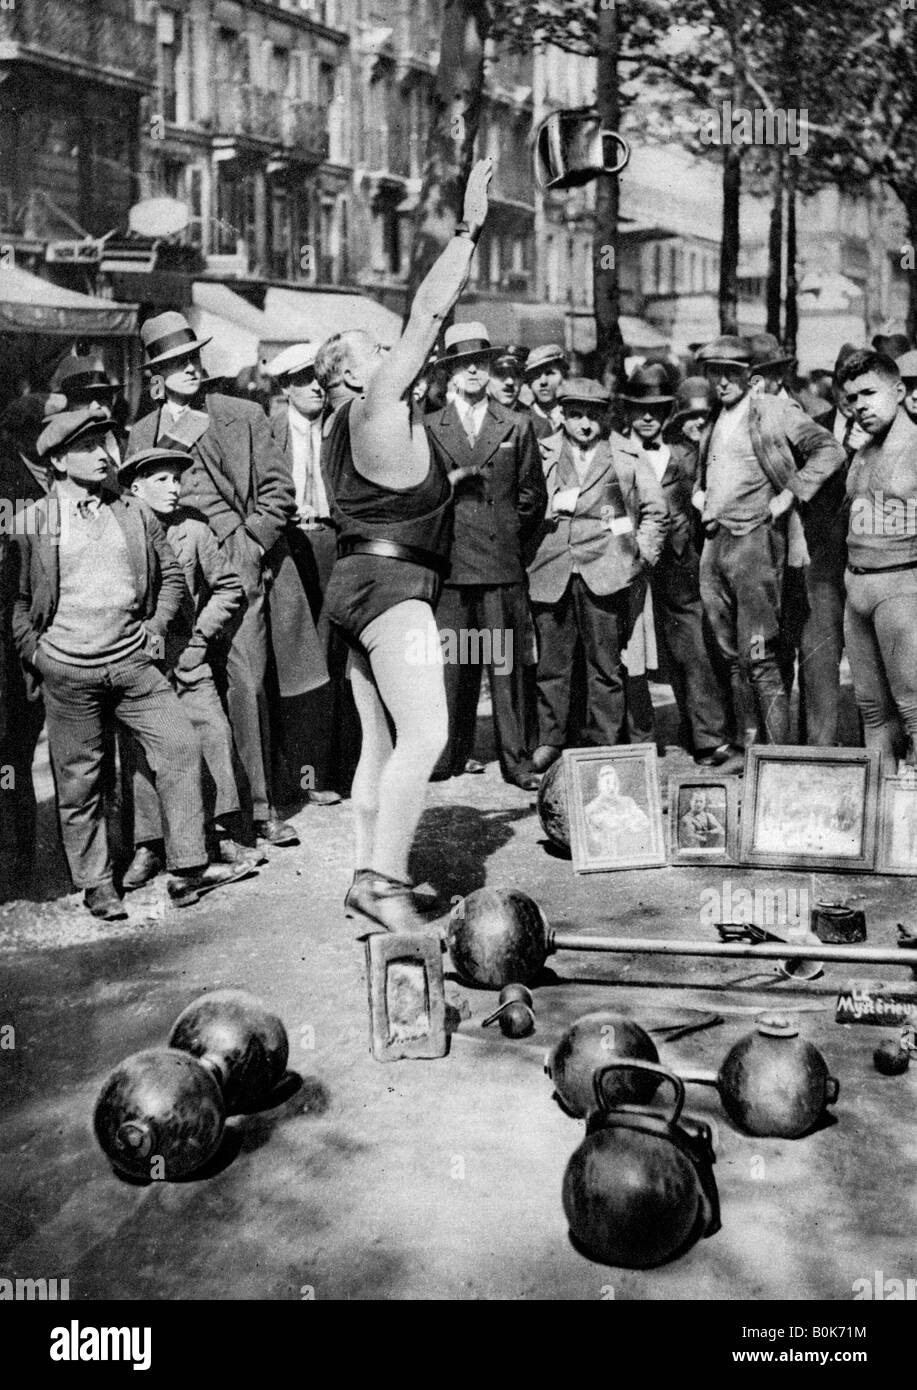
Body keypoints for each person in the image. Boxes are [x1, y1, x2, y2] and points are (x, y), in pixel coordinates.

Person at [312, 158, 495, 933]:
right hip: (392, 595)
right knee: (428, 733)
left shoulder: (338, 430)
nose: (392, 354)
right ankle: (385, 879)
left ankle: (366, 872)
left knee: (379, 743)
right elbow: (426, 315)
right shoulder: (374, 402)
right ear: (348, 373)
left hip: (355, 588)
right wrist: (468, 226)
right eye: (374, 349)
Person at [9, 408, 242, 918]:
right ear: (57, 459)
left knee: (181, 742)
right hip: (70, 671)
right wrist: (40, 656)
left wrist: (155, 630)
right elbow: (19, 605)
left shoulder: (131, 511)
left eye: (105, 444)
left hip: (133, 663)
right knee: (80, 779)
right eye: (88, 447)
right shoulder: (32, 523)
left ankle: (185, 867)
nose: (102, 455)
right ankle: (96, 883)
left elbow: (175, 579)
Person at [127, 312, 328, 847]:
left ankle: (259, 809)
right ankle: (188, 823)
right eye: (175, 364)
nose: (190, 369)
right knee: (176, 695)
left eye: (193, 358)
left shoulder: (241, 414)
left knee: (245, 686)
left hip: (238, 573)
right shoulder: (141, 433)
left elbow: (279, 491)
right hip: (174, 584)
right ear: (157, 376)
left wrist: (251, 545)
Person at [693, 335, 845, 747]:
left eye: (731, 374)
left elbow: (829, 451)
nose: (722, 382)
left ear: (749, 376)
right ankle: (749, 747)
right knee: (732, 657)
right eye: (714, 373)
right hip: (715, 543)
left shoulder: (773, 411)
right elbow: (707, 472)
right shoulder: (714, 418)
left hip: (754, 546)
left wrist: (790, 493)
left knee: (760, 656)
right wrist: (699, 494)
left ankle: (774, 759)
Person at [120, 447, 263, 884]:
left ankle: (217, 831)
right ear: (135, 488)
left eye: (177, 480)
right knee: (142, 750)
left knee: (213, 732)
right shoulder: (120, 531)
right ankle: (149, 845)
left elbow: (228, 588)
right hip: (138, 657)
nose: (173, 488)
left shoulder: (194, 531)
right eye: (161, 481)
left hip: (186, 654)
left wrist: (200, 639)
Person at [425, 322, 546, 790]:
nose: (474, 369)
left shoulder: (516, 423)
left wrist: (508, 530)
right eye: (463, 362)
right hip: (452, 564)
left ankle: (515, 760)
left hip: (500, 564)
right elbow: (425, 492)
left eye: (481, 361)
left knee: (506, 666)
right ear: (451, 371)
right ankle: (448, 754)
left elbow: (532, 494)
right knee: (451, 664)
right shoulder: (431, 426)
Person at [527, 378, 667, 770]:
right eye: (576, 415)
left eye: (592, 416)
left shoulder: (625, 455)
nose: (585, 424)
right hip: (550, 568)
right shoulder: (542, 452)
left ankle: (604, 745)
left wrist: (639, 558)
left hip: (607, 572)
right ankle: (550, 742)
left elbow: (657, 511)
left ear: (605, 417)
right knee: (552, 666)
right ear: (563, 416)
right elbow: (522, 503)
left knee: (605, 667)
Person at [621, 364, 739, 770]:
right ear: (628, 411)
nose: (648, 416)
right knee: (630, 651)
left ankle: (708, 737)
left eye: (656, 408)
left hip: (679, 566)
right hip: (628, 564)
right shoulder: (616, 453)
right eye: (640, 408)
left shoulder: (686, 456)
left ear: (668, 410)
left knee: (693, 651)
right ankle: (636, 739)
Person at [267, 341, 349, 806]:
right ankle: (300, 777)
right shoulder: (271, 431)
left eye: (319, 378)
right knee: (296, 664)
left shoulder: (339, 430)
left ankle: (331, 768)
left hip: (333, 545)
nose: (316, 387)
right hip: (289, 550)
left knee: (332, 659)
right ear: (285, 388)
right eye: (303, 380)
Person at [839, 349, 917, 765]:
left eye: (869, 393)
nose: (860, 406)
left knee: (914, 709)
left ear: (899, 391)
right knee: (871, 711)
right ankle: (880, 817)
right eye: (852, 398)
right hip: (858, 588)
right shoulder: (864, 446)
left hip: (901, 586)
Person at [585, 764, 650, 857]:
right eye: (607, 783)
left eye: (615, 783)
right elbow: (592, 840)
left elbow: (645, 823)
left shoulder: (628, 802)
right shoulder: (590, 809)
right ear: (599, 785)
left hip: (628, 853)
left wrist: (629, 827)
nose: (612, 788)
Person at [523, 344, 569, 440]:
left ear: (564, 376)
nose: (543, 382)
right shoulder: (522, 420)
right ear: (528, 382)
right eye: (536, 375)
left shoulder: (573, 417)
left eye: (550, 373)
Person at [488, 345, 528, 412]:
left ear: (522, 379)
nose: (510, 382)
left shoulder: (534, 420)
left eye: (516, 373)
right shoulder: (475, 416)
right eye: (500, 373)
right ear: (487, 376)